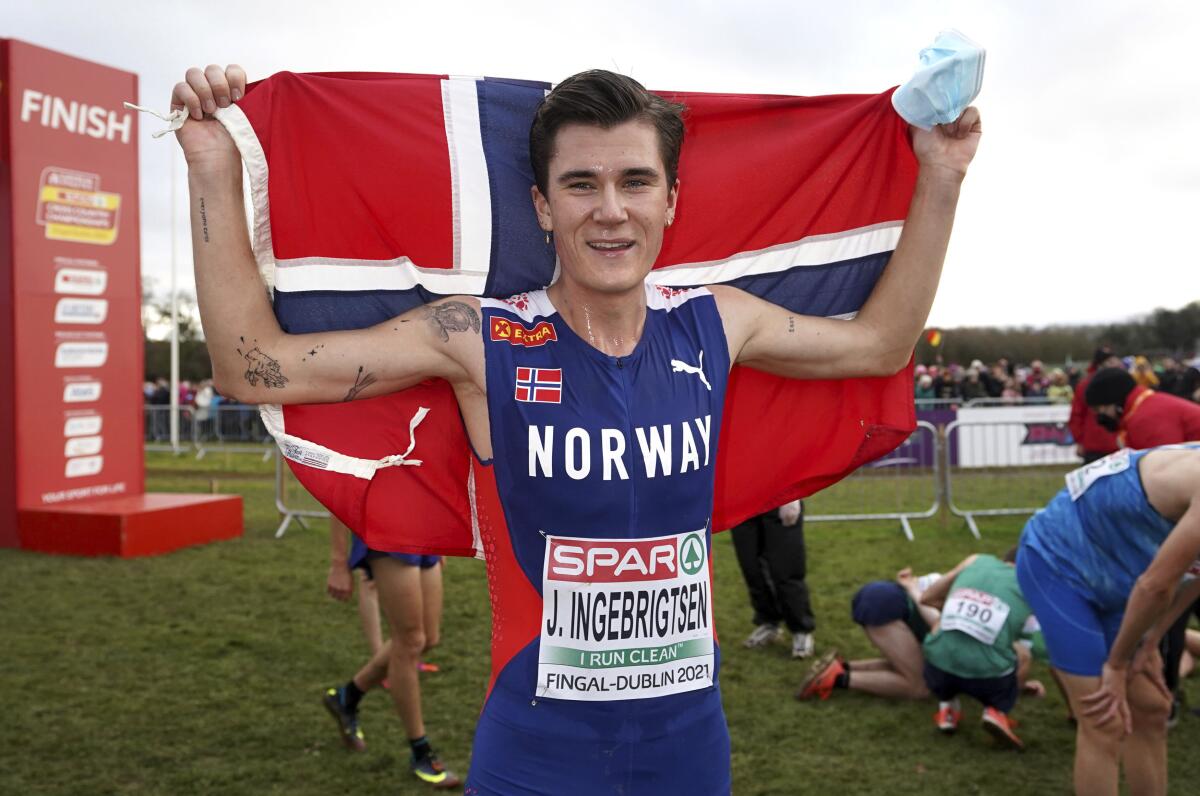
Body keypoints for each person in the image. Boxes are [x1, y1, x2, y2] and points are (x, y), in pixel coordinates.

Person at [172, 63, 979, 793]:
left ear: (671, 199)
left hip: (689, 753)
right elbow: (251, 364)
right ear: (543, 205)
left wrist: (939, 176)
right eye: (582, 184)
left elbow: (880, 345)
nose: (611, 210)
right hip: (535, 756)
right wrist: (213, 169)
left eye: (635, 181)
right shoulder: (477, 340)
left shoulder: (717, 324)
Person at [1016, 444, 1200, 795]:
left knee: (1151, 708)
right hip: (1058, 563)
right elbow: (1155, 586)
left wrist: (1150, 641)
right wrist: (1116, 664)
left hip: (1121, 576)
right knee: (1104, 720)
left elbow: (1193, 576)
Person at [322, 522, 454, 786]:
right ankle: (420, 751)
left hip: (425, 524)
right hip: (386, 527)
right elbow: (342, 483)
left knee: (428, 638)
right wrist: (338, 562)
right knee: (410, 641)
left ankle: (348, 696)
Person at [916, 552, 1032, 748]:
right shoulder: (1034, 585)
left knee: (941, 626)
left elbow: (927, 597)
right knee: (1024, 654)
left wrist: (960, 617)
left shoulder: (976, 560)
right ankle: (997, 711)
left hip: (936, 668)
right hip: (988, 679)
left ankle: (947, 709)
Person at [797, 567, 938, 702]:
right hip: (885, 603)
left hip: (882, 593)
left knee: (915, 664)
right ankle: (836, 678)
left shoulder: (955, 579)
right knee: (920, 686)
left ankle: (842, 667)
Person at [732, 500, 816, 658]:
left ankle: (801, 629)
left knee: (786, 568)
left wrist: (793, 497)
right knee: (751, 567)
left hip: (779, 497)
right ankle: (769, 622)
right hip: (743, 500)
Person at [1069, 347, 1121, 463]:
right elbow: (1077, 415)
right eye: (1111, 362)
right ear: (1100, 364)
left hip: (1119, 445)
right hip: (1094, 447)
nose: (1116, 365)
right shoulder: (1085, 385)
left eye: (1115, 361)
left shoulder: (1121, 383)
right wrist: (1079, 441)